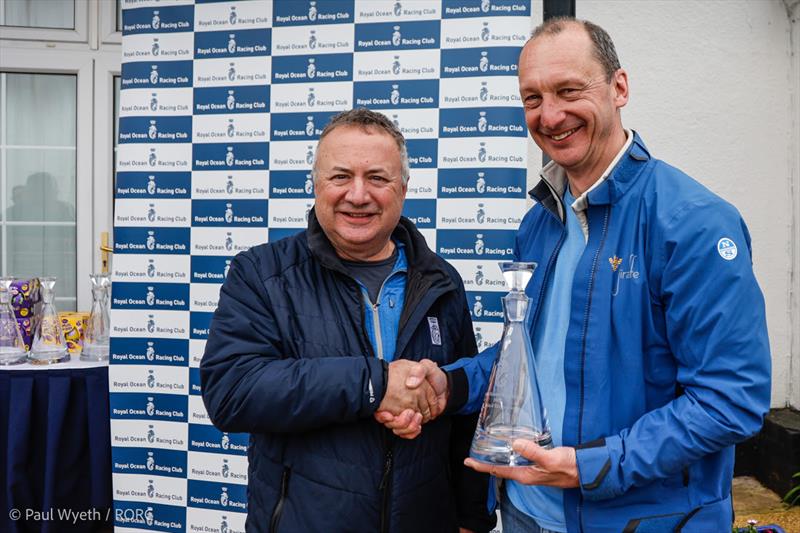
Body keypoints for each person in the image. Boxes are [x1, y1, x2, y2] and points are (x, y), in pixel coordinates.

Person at [376, 17, 771, 532]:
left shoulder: (691, 222)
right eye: (533, 98)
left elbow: (730, 400)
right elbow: (534, 358)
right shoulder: (540, 222)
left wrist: (593, 466)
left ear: (619, 87)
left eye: (568, 90)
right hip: (524, 515)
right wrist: (449, 385)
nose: (551, 115)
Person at [201, 108, 495, 533]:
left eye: (377, 178)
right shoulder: (261, 274)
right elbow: (231, 391)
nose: (358, 195)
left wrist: (471, 519)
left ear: (403, 188)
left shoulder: (440, 280)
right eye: (340, 177)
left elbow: (465, 408)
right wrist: (373, 385)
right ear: (316, 185)